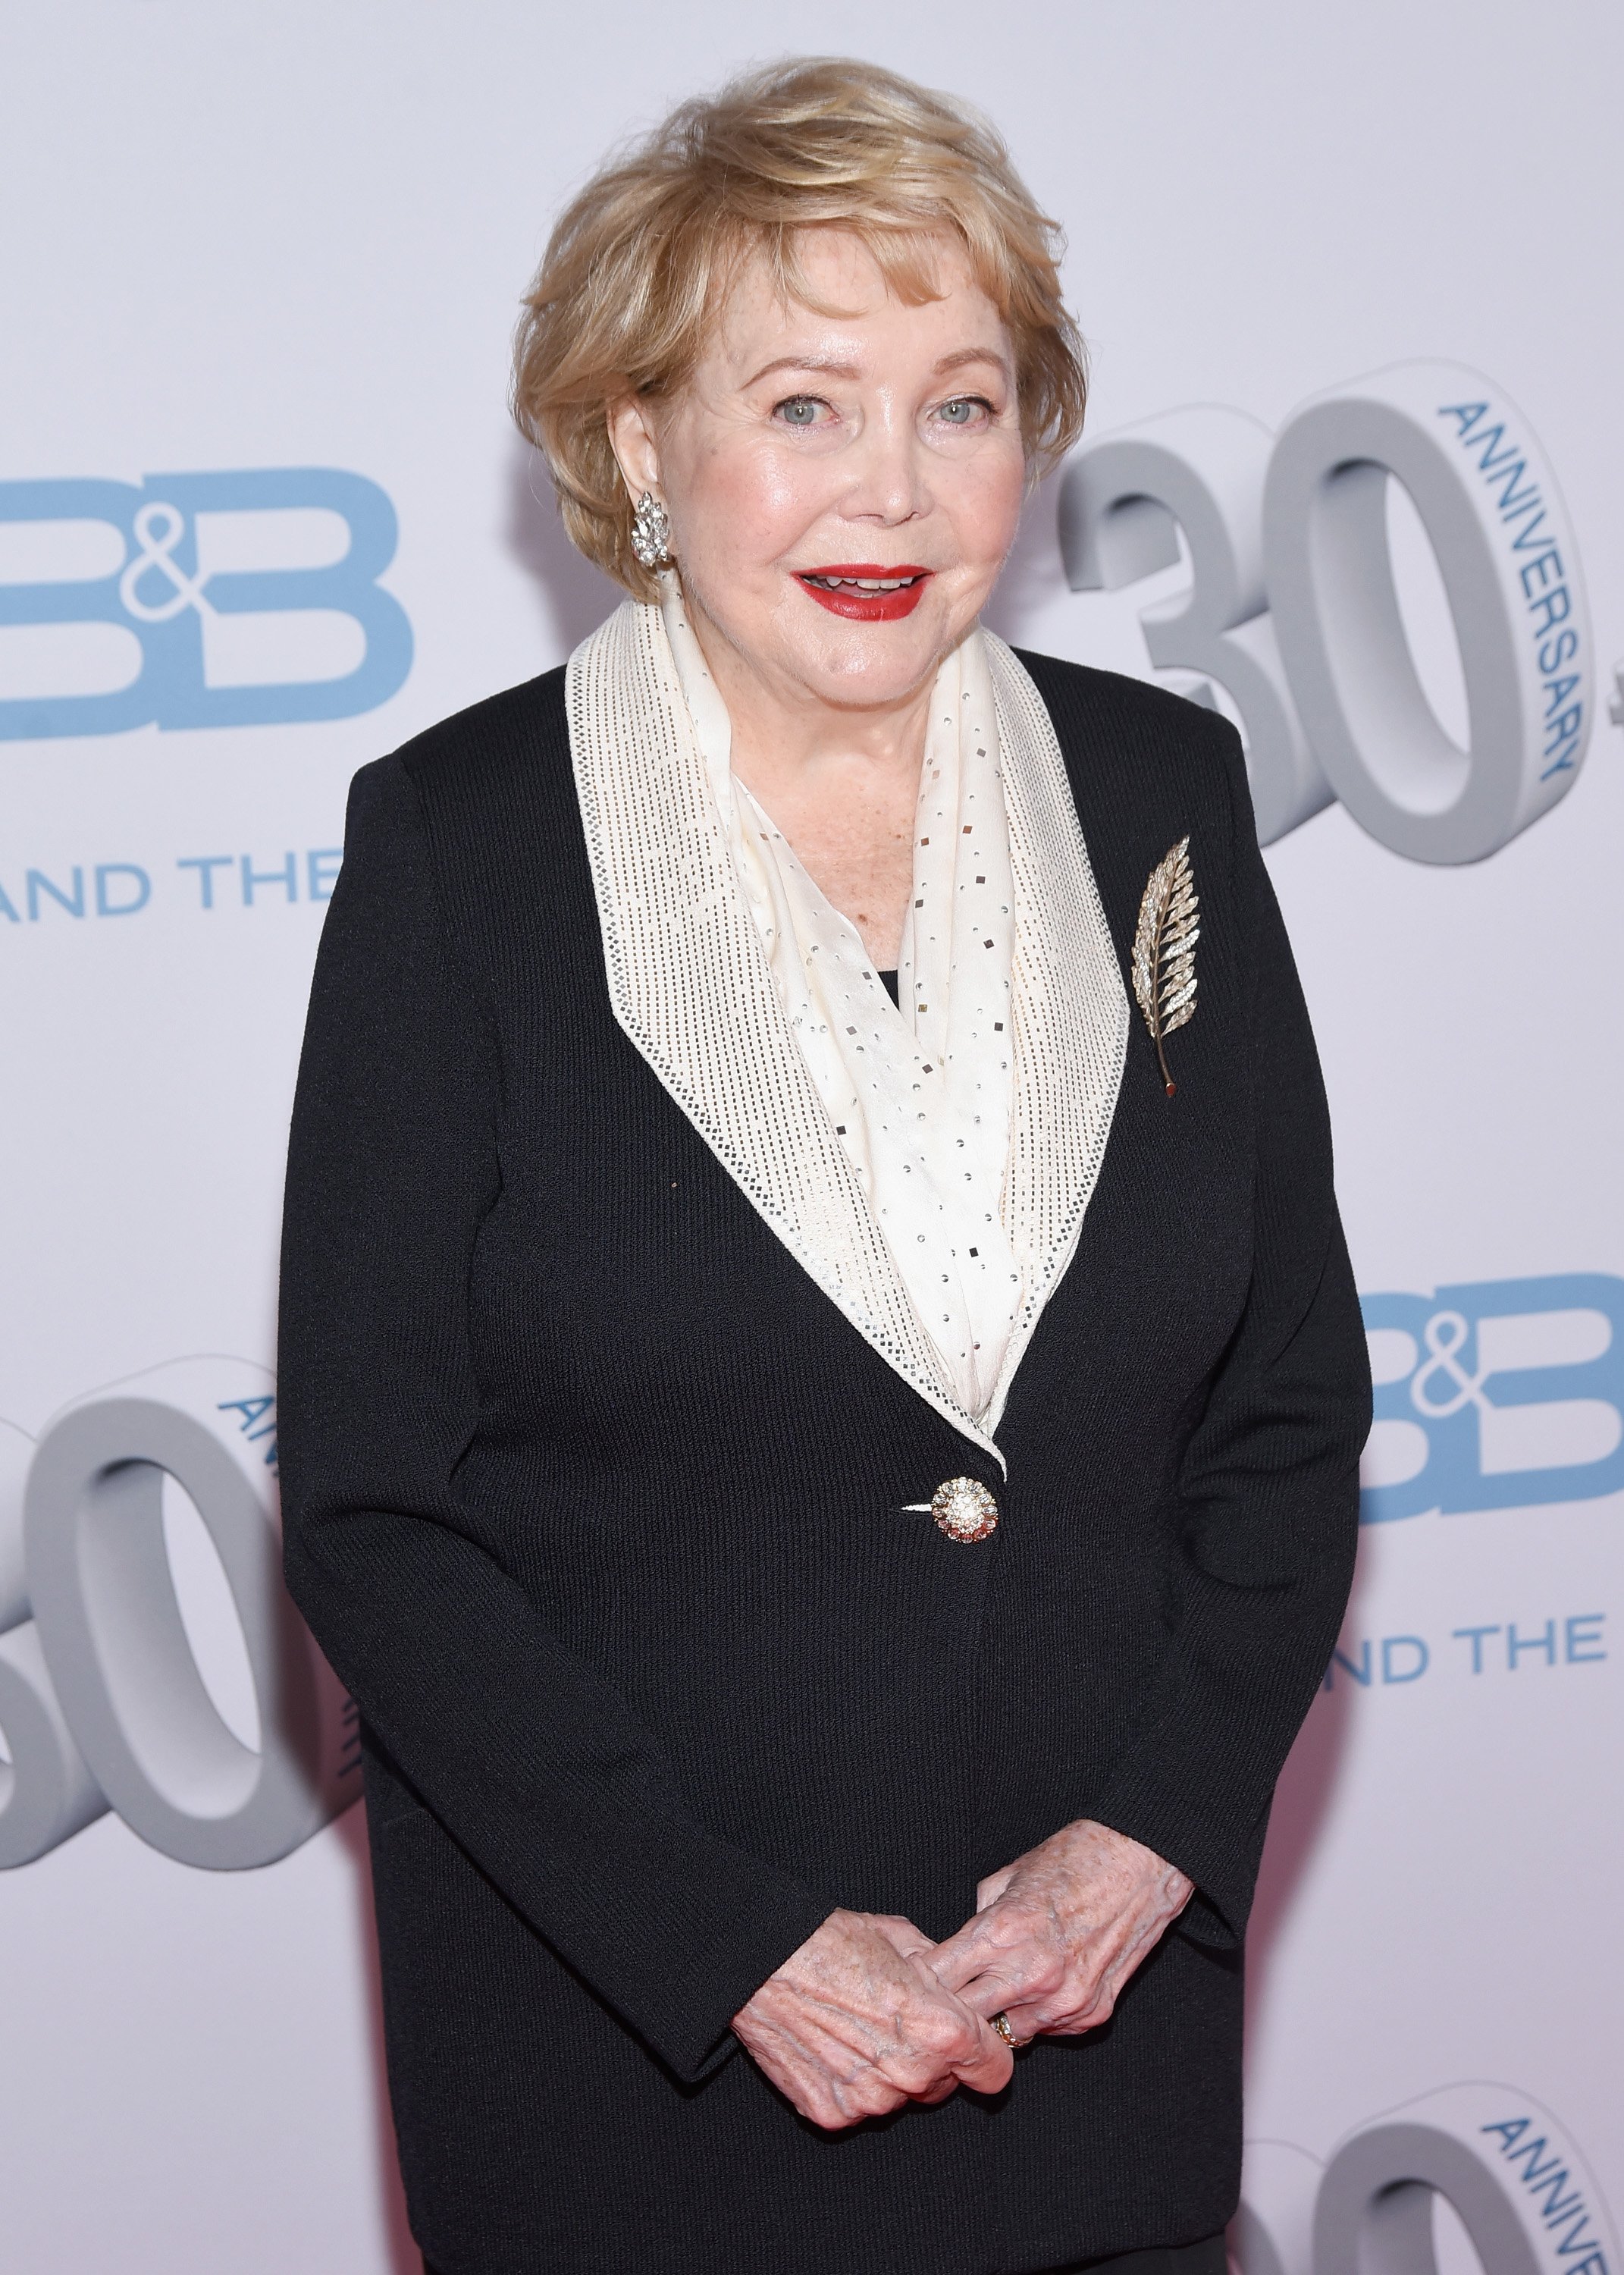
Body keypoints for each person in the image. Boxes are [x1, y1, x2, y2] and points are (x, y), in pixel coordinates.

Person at [277, 55, 1370, 2275]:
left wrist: (1156, 1829)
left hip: (1085, 2049)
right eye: (801, 406)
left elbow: (1288, 1398)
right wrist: (733, 1945)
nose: (893, 487)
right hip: (642, 2069)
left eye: (961, 406)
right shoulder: (464, 849)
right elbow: (383, 1512)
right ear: (631, 448)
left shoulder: (1165, 790)